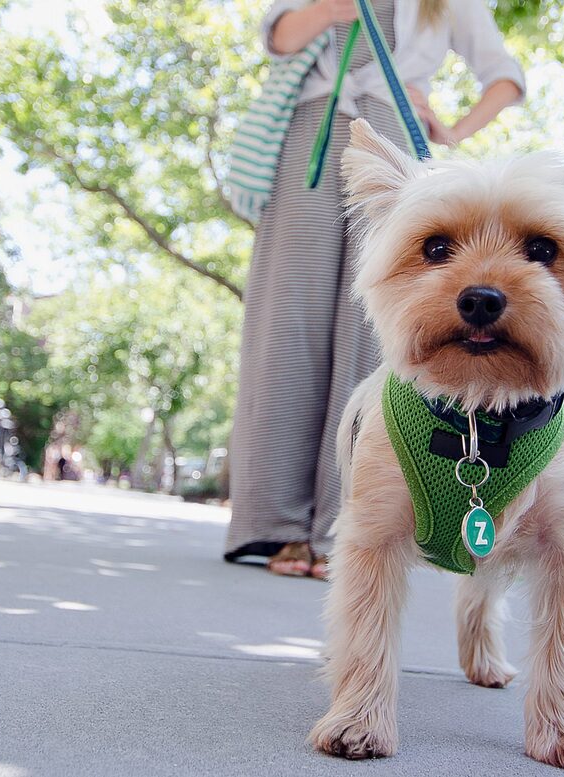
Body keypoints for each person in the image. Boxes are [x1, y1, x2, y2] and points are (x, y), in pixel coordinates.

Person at [224, 0, 525, 578]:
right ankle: (276, 525)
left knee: (377, 332)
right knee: (285, 321)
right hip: (309, 129)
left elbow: (505, 76)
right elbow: (281, 37)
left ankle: (346, 528)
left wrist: (453, 129)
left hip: (392, 138)